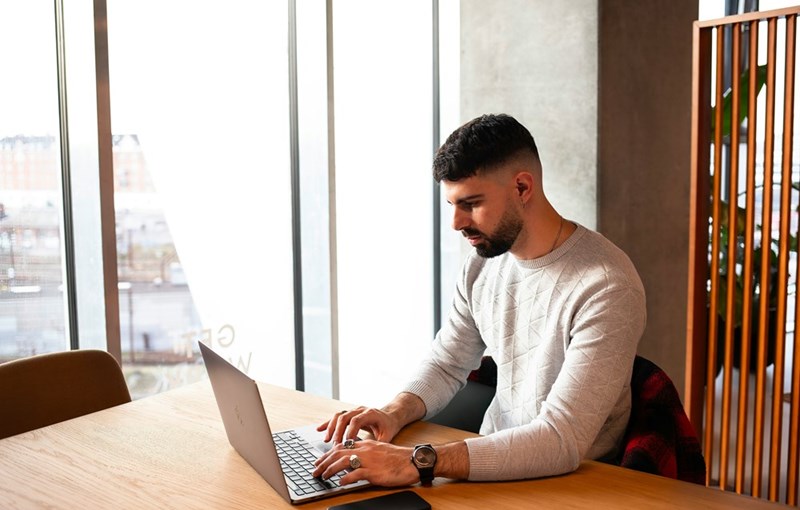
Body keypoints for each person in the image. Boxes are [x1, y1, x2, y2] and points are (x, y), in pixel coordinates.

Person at [312, 113, 647, 487]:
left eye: (470, 204)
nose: (456, 222)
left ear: (522, 187)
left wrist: (418, 460)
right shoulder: (482, 265)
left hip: (571, 485)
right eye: (452, 204)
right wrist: (393, 412)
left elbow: (561, 438)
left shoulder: (606, 286)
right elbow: (447, 363)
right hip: (489, 464)